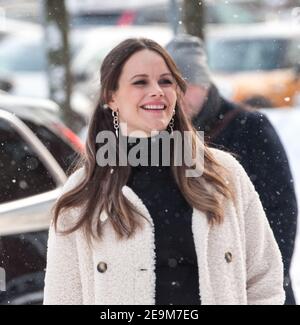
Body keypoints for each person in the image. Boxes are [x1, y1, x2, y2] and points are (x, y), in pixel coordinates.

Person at [43, 38, 284, 305]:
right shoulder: (84, 194)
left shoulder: (224, 175)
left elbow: (265, 279)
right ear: (111, 97)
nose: (157, 91)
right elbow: (62, 297)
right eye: (140, 82)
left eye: (166, 81)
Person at [166, 34, 298, 305]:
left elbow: (280, 207)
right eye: (170, 86)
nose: (179, 96)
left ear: (204, 84)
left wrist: (265, 280)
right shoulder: (158, 135)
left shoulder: (249, 127)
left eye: (187, 85)